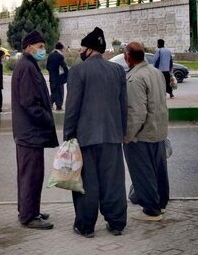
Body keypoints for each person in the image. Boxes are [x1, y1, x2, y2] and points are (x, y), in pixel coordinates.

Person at [63, 27, 128, 238]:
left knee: (87, 183)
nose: (80, 50)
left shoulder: (78, 71)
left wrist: (68, 136)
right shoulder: (117, 71)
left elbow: (72, 107)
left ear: (90, 49)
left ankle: (86, 226)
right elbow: (123, 106)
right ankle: (117, 223)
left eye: (82, 47)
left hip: (85, 137)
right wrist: (122, 132)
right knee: (113, 182)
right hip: (112, 136)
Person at [11, 30, 58, 230]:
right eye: (40, 47)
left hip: (27, 133)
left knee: (29, 173)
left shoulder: (27, 65)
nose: (43, 50)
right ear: (29, 47)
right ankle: (29, 216)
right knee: (32, 174)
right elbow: (30, 103)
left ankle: (29, 210)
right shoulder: (27, 68)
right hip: (30, 133)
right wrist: (47, 119)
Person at [123, 42, 170, 221]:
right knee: (159, 171)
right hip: (158, 131)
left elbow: (137, 112)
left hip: (141, 135)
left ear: (128, 56)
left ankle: (151, 210)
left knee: (143, 174)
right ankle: (161, 204)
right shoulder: (156, 72)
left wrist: (128, 136)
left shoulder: (135, 78)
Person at [46, 42, 69, 110]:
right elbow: (64, 67)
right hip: (58, 78)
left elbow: (47, 66)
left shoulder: (50, 55)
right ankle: (59, 106)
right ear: (61, 48)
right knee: (60, 92)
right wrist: (67, 75)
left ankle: (50, 104)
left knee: (54, 92)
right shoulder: (60, 56)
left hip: (52, 77)